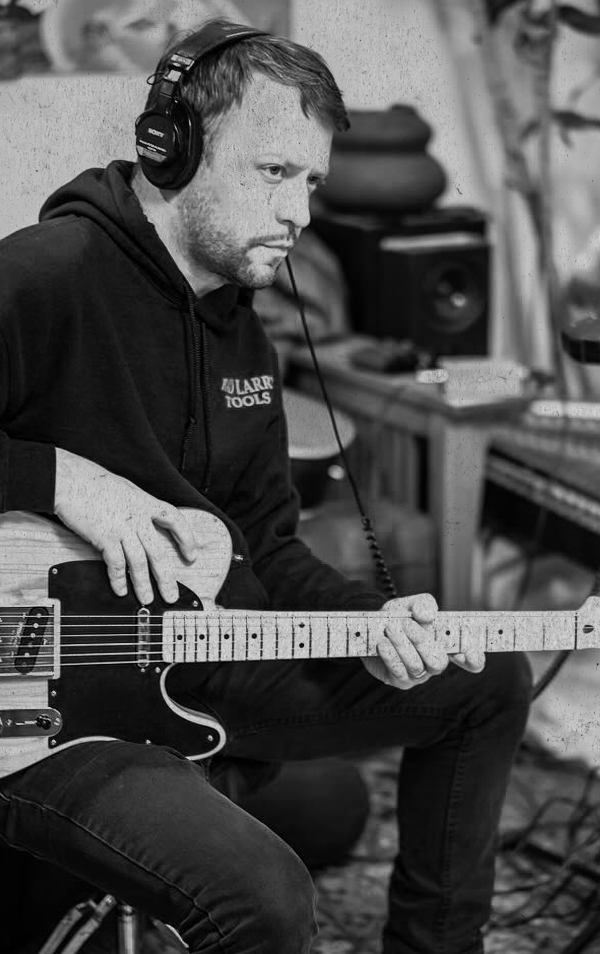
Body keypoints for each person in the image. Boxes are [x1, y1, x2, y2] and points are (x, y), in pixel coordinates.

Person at [0, 17, 532, 954]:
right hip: (50, 709)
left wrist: (373, 623)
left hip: (205, 657)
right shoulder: (45, 279)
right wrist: (60, 477)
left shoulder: (246, 334)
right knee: (267, 895)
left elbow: (270, 548)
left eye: (313, 182)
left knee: (483, 676)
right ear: (172, 149)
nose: (300, 212)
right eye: (274, 172)